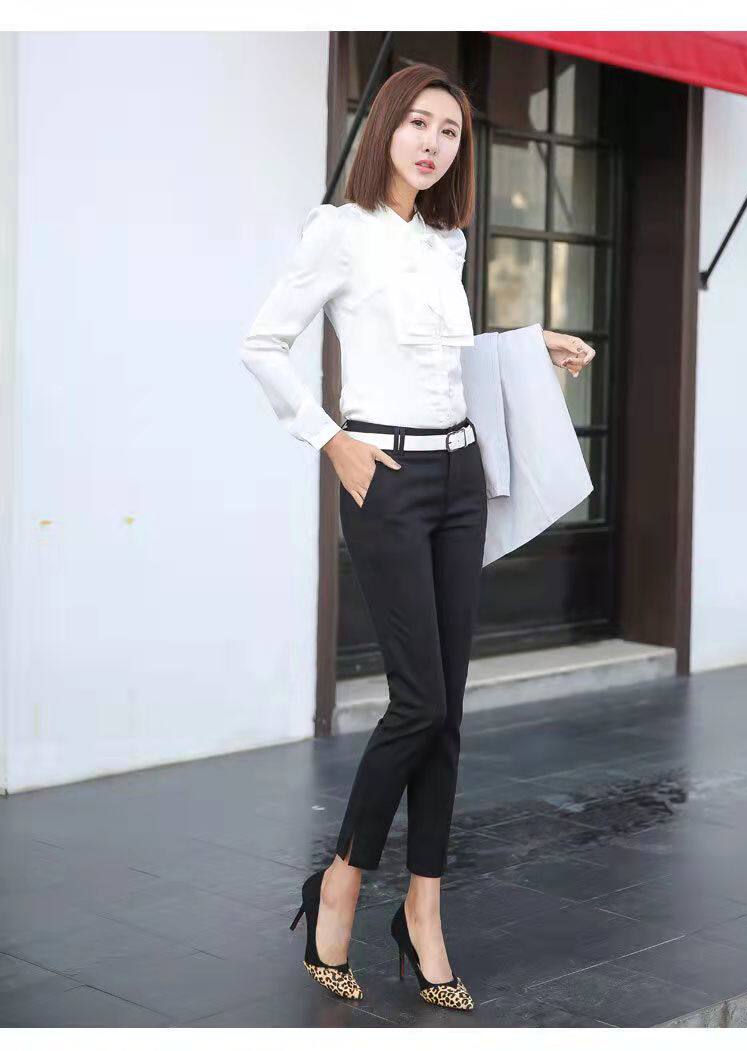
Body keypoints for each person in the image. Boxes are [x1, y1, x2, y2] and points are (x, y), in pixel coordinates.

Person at [241, 62, 594, 1011]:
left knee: (448, 710)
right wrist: (332, 439)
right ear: (386, 127)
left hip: (459, 475)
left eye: (451, 131)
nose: (434, 143)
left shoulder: (448, 240)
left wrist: (530, 344)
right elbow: (261, 344)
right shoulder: (339, 230)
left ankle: (424, 910)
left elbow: (447, 361)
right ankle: (342, 882)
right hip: (386, 479)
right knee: (418, 701)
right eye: (420, 123)